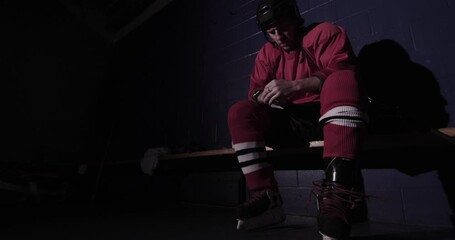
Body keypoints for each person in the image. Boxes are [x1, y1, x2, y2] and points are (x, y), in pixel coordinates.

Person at [227, 0, 369, 239]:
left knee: (342, 79)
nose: (278, 36)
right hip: (292, 120)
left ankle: (337, 195)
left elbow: (342, 67)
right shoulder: (267, 53)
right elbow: (254, 92)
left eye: (283, 27)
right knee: (240, 111)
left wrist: (296, 86)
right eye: (271, 32)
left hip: (332, 115)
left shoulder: (323, 33)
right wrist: (265, 95)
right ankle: (267, 196)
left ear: (295, 20)